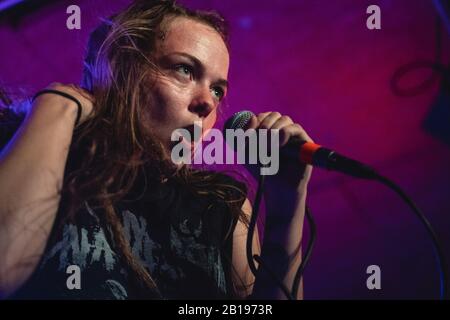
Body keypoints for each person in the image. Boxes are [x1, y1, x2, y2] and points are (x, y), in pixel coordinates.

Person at [0, 0, 313, 300]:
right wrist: (58, 100)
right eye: (185, 70)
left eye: (217, 90)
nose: (207, 102)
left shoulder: (221, 207)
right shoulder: (29, 149)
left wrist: (287, 204)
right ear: (121, 68)